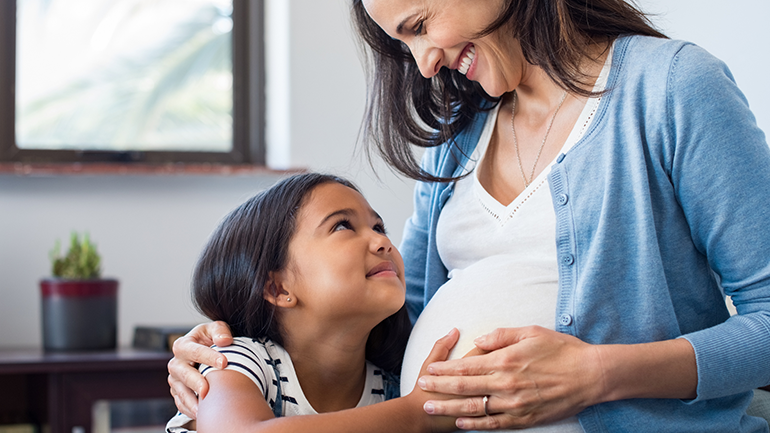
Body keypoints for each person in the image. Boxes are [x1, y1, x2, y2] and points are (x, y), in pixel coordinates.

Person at [168, 0, 770, 431]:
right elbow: (399, 319)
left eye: (421, 25)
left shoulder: (670, 88)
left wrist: (597, 375)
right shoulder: (456, 138)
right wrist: (235, 351)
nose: (424, 63)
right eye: (403, 44)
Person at [165, 173, 463, 433]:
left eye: (378, 227)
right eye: (343, 226)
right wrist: (417, 415)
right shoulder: (237, 363)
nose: (382, 242)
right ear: (278, 288)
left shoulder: (392, 386)